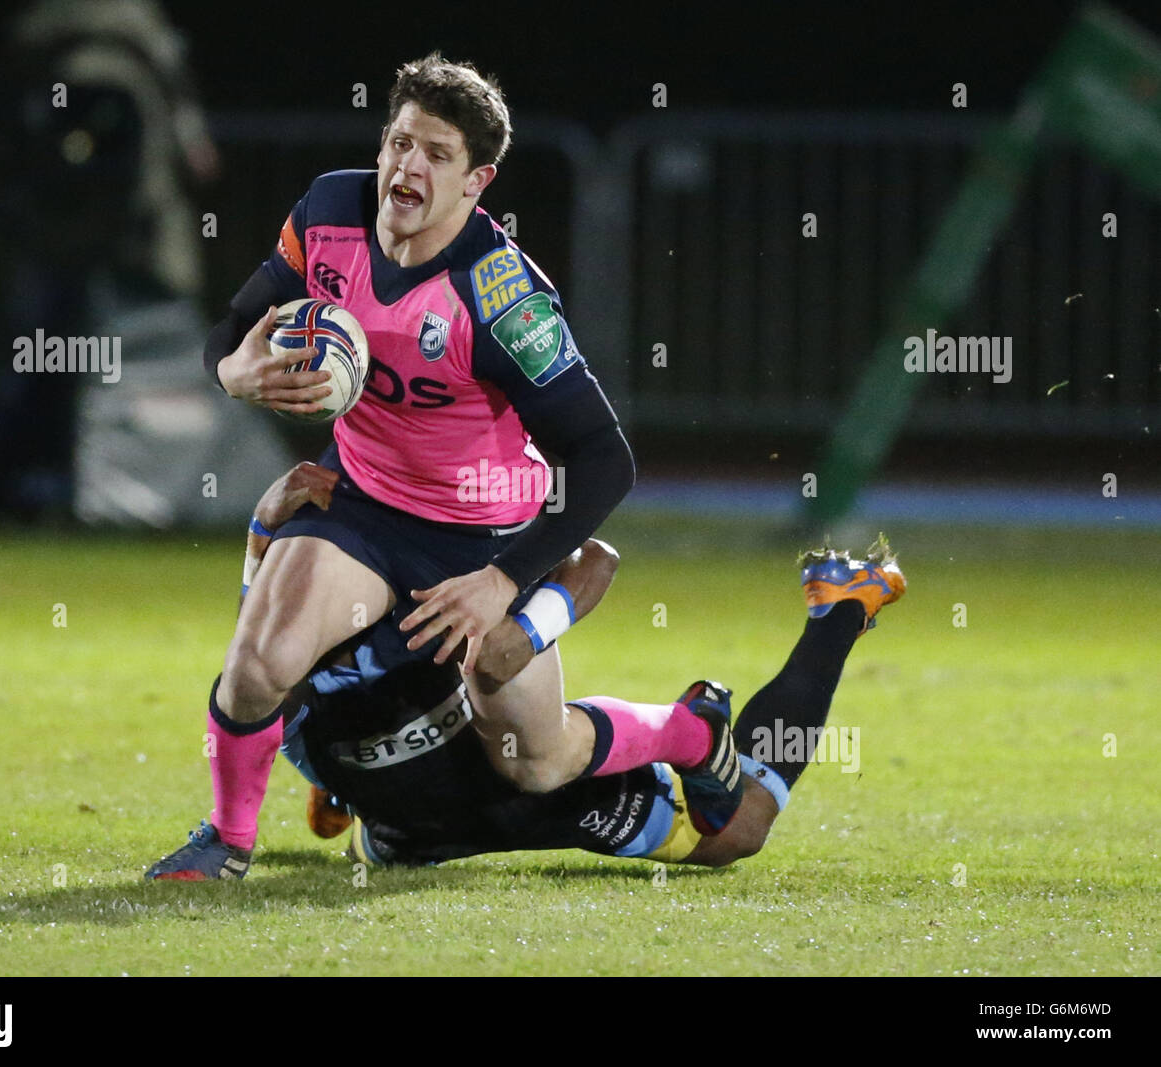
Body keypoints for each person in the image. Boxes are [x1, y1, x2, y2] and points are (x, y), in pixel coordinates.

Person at [153, 54, 760, 879]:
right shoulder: (330, 210)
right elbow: (234, 328)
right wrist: (234, 372)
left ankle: (688, 731)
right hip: (363, 508)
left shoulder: (500, 295)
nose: (406, 167)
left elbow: (605, 459)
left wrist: (504, 578)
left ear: (477, 180)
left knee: (533, 759)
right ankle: (225, 843)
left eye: (435, 155)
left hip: (483, 534)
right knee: (258, 663)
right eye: (399, 143)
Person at [146, 464, 906, 878]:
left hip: (524, 795)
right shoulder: (279, 665)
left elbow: (594, 560)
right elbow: (266, 668)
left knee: (738, 830)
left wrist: (528, 628)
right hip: (411, 837)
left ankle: (838, 610)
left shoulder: (435, 558)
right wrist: (259, 527)